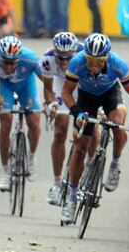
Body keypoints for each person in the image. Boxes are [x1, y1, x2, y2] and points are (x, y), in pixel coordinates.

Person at [61, 33, 129, 224]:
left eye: (99, 60)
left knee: (118, 123)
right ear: (85, 55)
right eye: (90, 59)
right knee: (80, 147)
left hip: (110, 94)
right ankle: (72, 197)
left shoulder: (118, 64)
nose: (94, 64)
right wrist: (77, 112)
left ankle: (115, 163)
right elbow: (66, 92)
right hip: (86, 97)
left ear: (107, 57)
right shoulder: (77, 62)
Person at [41, 32, 98, 205]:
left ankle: (89, 166)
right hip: (61, 85)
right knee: (60, 131)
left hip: (83, 86)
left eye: (68, 58)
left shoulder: (84, 57)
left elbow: (96, 87)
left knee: (92, 128)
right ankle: (57, 183)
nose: (64, 62)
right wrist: (51, 104)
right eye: (61, 58)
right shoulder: (47, 60)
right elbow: (48, 89)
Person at [0, 36, 42, 191]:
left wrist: (52, 101)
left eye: (12, 63)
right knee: (6, 123)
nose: (8, 67)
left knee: (34, 124)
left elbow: (48, 82)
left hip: (25, 85)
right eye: (5, 62)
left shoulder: (31, 59)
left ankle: (31, 158)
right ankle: (4, 169)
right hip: (3, 85)